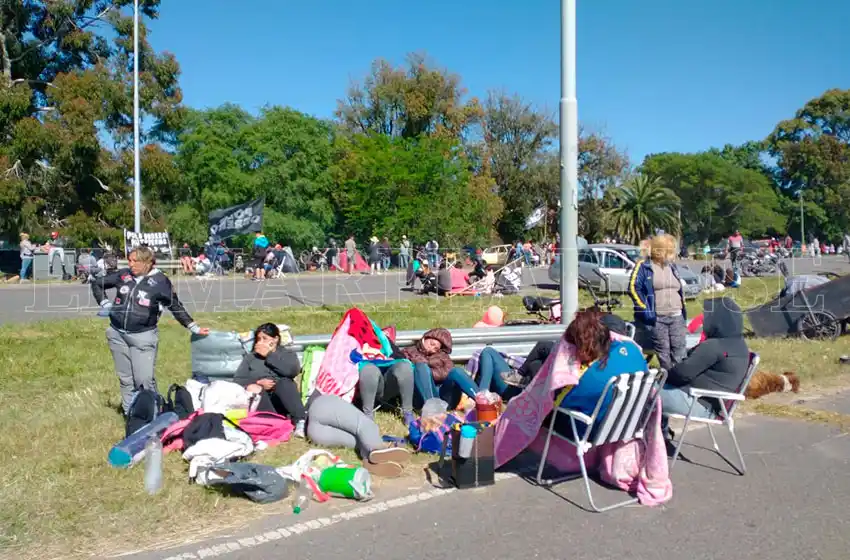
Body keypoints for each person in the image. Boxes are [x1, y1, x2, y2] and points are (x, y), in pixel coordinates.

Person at [92, 246, 209, 415]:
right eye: (129, 260)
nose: (130, 264)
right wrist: (105, 304)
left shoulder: (161, 281)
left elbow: (175, 306)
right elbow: (97, 284)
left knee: (144, 380)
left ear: (148, 263)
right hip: (117, 334)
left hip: (143, 336)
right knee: (126, 379)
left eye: (135, 261)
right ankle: (130, 414)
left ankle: (153, 414)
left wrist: (193, 327)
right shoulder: (123, 275)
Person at [544, 310, 648, 438]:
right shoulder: (635, 352)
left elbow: (561, 404)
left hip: (588, 432)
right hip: (628, 425)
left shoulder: (592, 372)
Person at [660, 297, 749, 430]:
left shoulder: (714, 346)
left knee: (641, 392)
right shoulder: (739, 344)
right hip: (714, 404)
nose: (705, 320)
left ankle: (644, 441)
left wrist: (663, 375)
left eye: (708, 316)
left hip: (699, 403)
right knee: (649, 390)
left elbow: (681, 374)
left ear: (718, 320)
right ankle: (659, 434)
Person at [306, 394, 411, 477]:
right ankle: (378, 448)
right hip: (322, 403)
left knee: (359, 441)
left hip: (313, 431)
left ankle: (370, 461)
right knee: (366, 425)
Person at [235, 323, 306, 438]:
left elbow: (291, 371)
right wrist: (258, 382)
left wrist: (269, 355)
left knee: (285, 383)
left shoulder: (286, 354)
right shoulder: (251, 358)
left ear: (275, 339)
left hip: (283, 399)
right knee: (253, 388)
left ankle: (300, 421)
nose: (261, 342)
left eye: (265, 338)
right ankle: (271, 423)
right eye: (259, 339)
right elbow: (238, 380)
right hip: (263, 401)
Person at [628, 233, 687, 372]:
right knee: (664, 352)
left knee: (679, 350)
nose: (673, 254)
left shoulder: (671, 266)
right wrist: (645, 309)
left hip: (676, 315)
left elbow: (678, 288)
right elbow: (633, 288)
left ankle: (679, 377)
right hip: (657, 318)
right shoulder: (644, 266)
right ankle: (668, 379)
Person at [404, 328, 480, 409]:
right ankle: (432, 409)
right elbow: (405, 372)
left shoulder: (443, 356)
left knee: (456, 371)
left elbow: (448, 371)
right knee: (421, 367)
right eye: (431, 343)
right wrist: (425, 368)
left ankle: (483, 401)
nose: (432, 348)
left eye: (436, 348)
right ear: (425, 338)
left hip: (444, 396)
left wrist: (429, 371)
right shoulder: (409, 351)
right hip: (421, 395)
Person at [357, 354, 415, 424]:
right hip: (370, 385)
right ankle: (368, 415)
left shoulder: (387, 344)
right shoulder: (356, 344)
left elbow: (399, 356)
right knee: (369, 369)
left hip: (389, 382)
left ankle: (408, 413)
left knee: (405, 366)